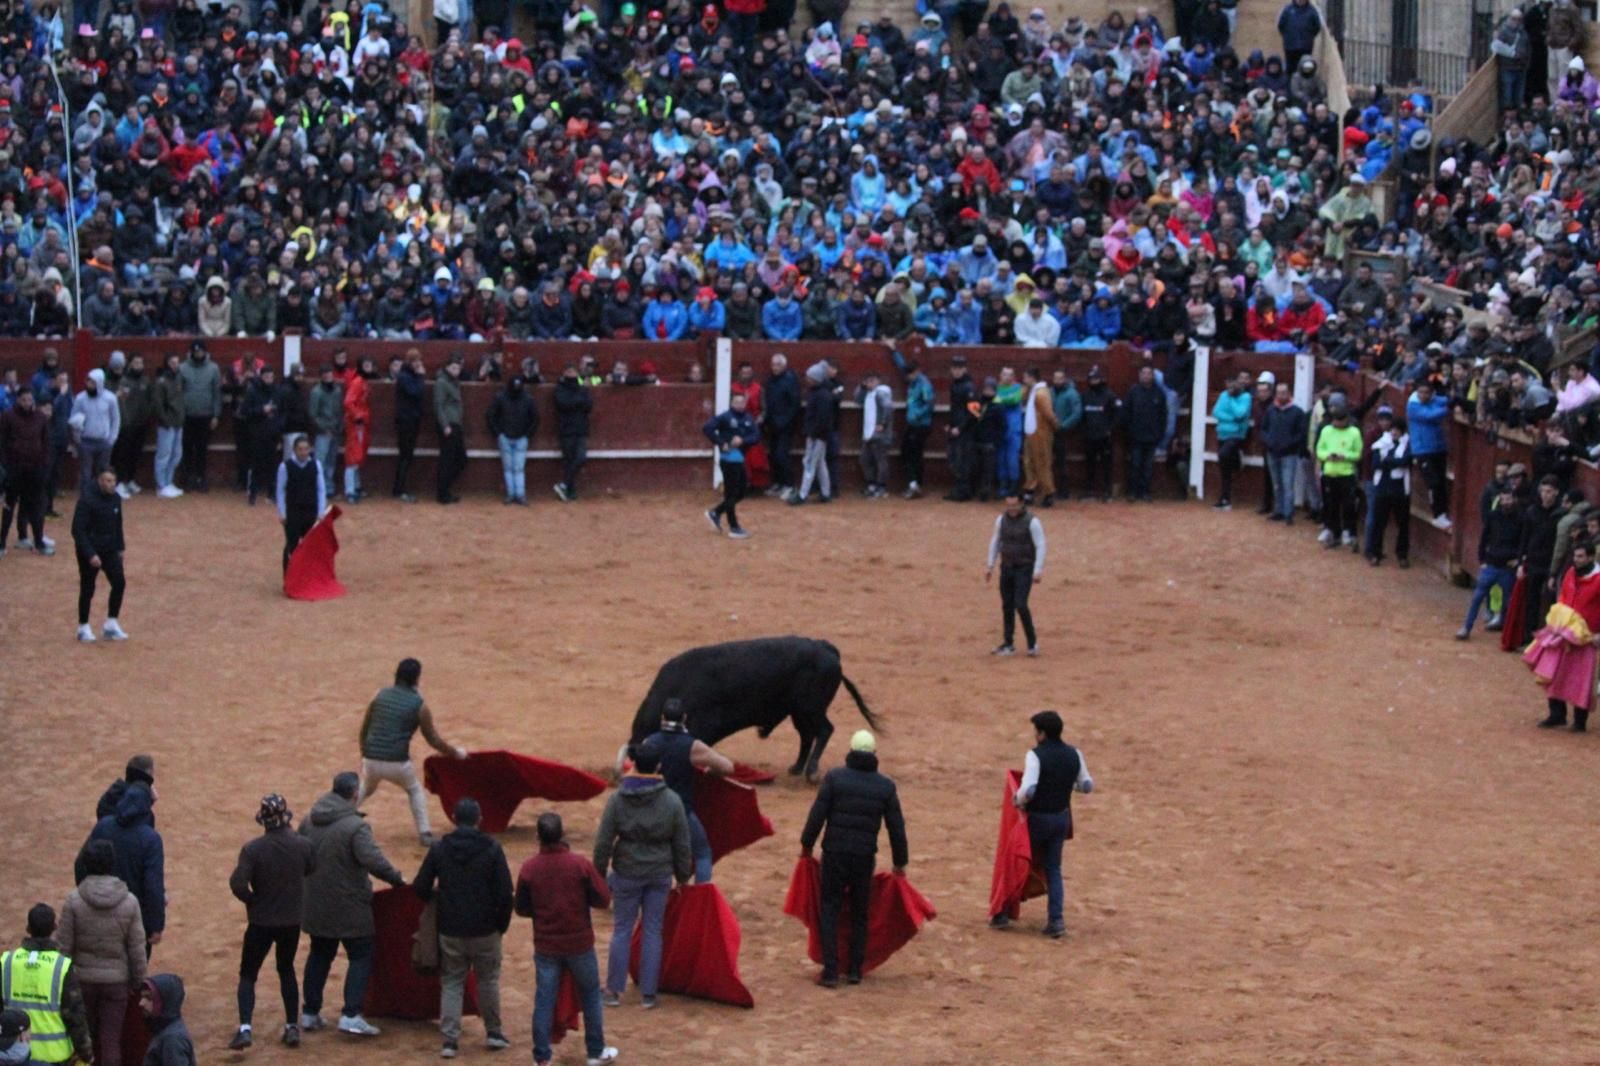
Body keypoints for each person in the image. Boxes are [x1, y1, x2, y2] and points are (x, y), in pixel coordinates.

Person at [799, 729, 910, 988]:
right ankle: (855, 970)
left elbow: (818, 815)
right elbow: (896, 827)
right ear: (874, 755)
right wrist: (899, 862)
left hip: (835, 854)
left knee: (830, 908)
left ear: (850, 751)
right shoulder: (885, 786)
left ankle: (829, 970)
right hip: (863, 856)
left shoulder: (835, 778)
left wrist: (806, 845)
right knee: (860, 912)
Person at [298, 771, 405, 1039]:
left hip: (315, 903)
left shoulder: (308, 821)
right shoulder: (355, 827)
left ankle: (309, 1013)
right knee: (361, 954)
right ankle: (351, 1014)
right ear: (354, 794)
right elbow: (374, 861)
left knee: (320, 953)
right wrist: (397, 880)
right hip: (349, 905)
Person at [593, 738, 692, 1009]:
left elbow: (603, 841)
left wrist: (599, 876)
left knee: (622, 929)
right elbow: (682, 843)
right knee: (652, 931)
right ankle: (649, 993)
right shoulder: (672, 801)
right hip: (659, 872)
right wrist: (683, 876)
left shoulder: (618, 799)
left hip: (627, 871)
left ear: (634, 765)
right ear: (658, 766)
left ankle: (613, 991)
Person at [412, 797, 513, 1058]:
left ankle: (449, 1040)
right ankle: (493, 1032)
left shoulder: (440, 848)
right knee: (488, 980)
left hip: (451, 929)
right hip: (485, 929)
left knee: (452, 982)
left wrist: (439, 901)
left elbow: (420, 887)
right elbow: (504, 894)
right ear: (479, 820)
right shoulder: (492, 848)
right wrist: (500, 926)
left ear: (454, 819)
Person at [515, 813, 618, 1066]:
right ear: (562, 835)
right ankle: (595, 1052)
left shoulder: (529, 869)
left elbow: (521, 908)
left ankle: (542, 1058)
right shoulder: (579, 865)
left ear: (538, 837)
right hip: (579, 944)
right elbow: (603, 899)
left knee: (544, 1000)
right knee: (591, 995)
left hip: (547, 946)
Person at [993, 711, 1094, 938]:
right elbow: (1087, 785)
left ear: (1042, 734)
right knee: (1053, 868)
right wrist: (1067, 786)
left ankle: (1002, 912)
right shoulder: (1074, 754)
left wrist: (1016, 799)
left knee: (1016, 862)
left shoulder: (1035, 756)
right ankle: (1056, 921)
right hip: (1061, 819)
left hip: (1037, 820)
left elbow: (1029, 789)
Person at [227, 794, 316, 1051]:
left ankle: (245, 1028)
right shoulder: (303, 845)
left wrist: (253, 901)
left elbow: (238, 883)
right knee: (286, 969)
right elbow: (311, 868)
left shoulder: (253, 849)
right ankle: (291, 1026)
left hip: (261, 921)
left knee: (248, 974)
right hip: (291, 921)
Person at [358, 658, 469, 847]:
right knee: (414, 790)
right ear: (417, 679)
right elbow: (433, 739)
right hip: (397, 763)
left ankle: (338, 813)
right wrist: (455, 753)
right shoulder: (419, 705)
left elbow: (364, 729)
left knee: (367, 787)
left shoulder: (379, 695)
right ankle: (425, 833)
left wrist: (365, 753)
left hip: (370, 758)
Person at [60, 840, 146, 1066]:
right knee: (111, 1041)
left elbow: (64, 948)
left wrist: (65, 984)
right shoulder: (129, 902)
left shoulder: (74, 901)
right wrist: (138, 983)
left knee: (83, 1040)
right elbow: (137, 948)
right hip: (116, 982)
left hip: (81, 982)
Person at [78, 765, 164, 952]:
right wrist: (156, 924)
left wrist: (87, 894)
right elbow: (153, 885)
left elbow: (80, 864)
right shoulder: (150, 838)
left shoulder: (104, 826)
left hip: (96, 910)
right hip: (134, 916)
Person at [647, 699, 735, 883]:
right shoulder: (692, 746)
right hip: (681, 812)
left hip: (650, 811)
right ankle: (699, 899)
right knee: (702, 854)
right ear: (684, 718)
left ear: (662, 717)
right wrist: (711, 772)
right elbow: (727, 767)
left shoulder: (650, 743)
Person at [0, 903, 94, 1065]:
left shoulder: (6, 961)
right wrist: (86, 1053)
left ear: (28, 928)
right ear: (54, 928)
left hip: (14, 1054)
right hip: (55, 1056)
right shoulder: (62, 966)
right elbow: (75, 1016)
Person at [1533, 539, 1600, 730]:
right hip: (1563, 632)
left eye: (1580, 557)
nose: (1576, 560)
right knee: (1555, 672)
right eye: (1575, 556)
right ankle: (1557, 714)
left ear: (1591, 557)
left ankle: (1580, 721)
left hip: (1587, 635)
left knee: (1582, 678)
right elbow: (1562, 597)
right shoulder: (1571, 573)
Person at [1458, 486, 1524, 640]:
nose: (1506, 502)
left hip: (1507, 566)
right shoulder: (1493, 516)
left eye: (1508, 499)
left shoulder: (1521, 518)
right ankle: (1466, 627)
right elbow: (1484, 538)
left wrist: (1518, 560)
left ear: (1514, 499)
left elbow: (1523, 541)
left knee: (1508, 601)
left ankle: (1507, 635)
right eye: (1503, 499)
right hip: (1492, 564)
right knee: (1477, 597)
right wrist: (1482, 560)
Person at [986, 494, 1047, 656]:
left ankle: (1032, 643)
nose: (1011, 509)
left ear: (1021, 504)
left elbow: (1040, 545)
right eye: (1008, 505)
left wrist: (1038, 570)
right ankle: (1008, 643)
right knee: (1007, 605)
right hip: (1006, 567)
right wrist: (990, 565)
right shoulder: (1001, 520)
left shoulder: (1032, 522)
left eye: (1014, 505)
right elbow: (996, 542)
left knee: (1020, 604)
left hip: (1024, 569)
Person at [72, 468, 128, 644]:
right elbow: (77, 531)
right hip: (90, 550)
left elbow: (118, 525)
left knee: (119, 582)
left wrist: (120, 548)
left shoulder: (116, 499)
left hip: (110, 549)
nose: (111, 485)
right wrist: (90, 554)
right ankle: (83, 627)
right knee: (88, 588)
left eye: (113, 481)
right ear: (99, 481)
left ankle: (111, 623)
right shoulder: (87, 501)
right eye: (107, 481)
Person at [0, 387, 51, 557]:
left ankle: (38, 541)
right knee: (9, 507)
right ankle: (1, 543)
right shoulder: (7, 417)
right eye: (24, 400)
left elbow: (45, 443)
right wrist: (6, 466)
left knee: (35, 507)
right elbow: (2, 443)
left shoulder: (41, 418)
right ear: (17, 400)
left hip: (34, 470)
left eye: (29, 400)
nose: (27, 403)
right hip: (14, 470)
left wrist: (43, 466)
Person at [703, 391, 758, 539]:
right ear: (731, 403)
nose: (740, 405)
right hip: (728, 459)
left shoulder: (747, 418)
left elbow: (756, 436)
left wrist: (743, 441)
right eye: (737, 402)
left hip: (739, 459)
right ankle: (734, 527)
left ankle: (716, 513)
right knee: (732, 493)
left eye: (742, 402)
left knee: (740, 492)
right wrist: (722, 443)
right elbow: (707, 428)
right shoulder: (725, 417)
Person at [1315, 400, 1363, 551]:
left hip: (1347, 474)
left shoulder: (1354, 432)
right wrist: (1328, 456)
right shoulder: (1326, 430)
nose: (1337, 422)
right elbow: (1319, 450)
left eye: (1340, 419)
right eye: (1335, 419)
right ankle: (1334, 534)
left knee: (1349, 506)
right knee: (1331, 506)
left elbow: (1358, 454)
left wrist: (1345, 456)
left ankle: (1350, 533)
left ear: (1346, 419)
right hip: (1330, 473)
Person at [1365, 416, 1412, 567]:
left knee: (1402, 524)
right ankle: (1375, 553)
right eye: (1392, 429)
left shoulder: (1406, 445)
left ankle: (1402, 554)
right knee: (1379, 523)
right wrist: (1394, 462)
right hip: (1384, 488)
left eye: (1397, 430)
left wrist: (1387, 461)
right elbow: (1376, 464)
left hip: (1399, 490)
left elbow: (1405, 462)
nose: (1394, 432)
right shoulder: (1382, 443)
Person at [276, 435, 326, 573]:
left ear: (310, 449)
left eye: (306, 449)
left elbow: (321, 490)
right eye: (300, 449)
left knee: (310, 545)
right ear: (294, 450)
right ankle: (289, 578)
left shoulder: (316, 465)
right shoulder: (285, 467)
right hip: (293, 512)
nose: (304, 452)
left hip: (311, 511)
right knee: (292, 545)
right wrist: (282, 512)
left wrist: (321, 511)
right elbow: (280, 491)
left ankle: (308, 577)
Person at [1407, 378, 1451, 530]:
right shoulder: (1413, 405)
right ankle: (1438, 514)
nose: (1423, 395)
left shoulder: (1432, 401)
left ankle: (1442, 514)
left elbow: (1445, 401)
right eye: (1421, 392)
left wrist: (1449, 402)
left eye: (1426, 393)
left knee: (1440, 482)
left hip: (1437, 448)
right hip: (1423, 451)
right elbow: (1430, 416)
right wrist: (1449, 407)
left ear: (1431, 394)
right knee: (1433, 483)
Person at [1261, 381, 1308, 524]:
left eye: (1284, 393)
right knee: (1277, 483)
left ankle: (1288, 513)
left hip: (1289, 454)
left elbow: (1301, 434)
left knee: (1287, 484)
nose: (1281, 396)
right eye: (1279, 393)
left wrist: (1288, 445)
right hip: (1273, 452)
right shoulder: (1270, 410)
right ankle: (1279, 511)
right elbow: (1264, 429)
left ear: (1289, 394)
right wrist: (1269, 442)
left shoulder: (1297, 412)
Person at [487, 375, 537, 506]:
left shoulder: (503, 397)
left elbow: (535, 419)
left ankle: (516, 494)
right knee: (513, 468)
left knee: (514, 468)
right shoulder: (527, 399)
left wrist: (527, 435)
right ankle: (516, 494)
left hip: (517, 438)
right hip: (510, 437)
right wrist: (499, 434)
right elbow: (491, 416)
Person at [177, 342, 220, 492]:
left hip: (205, 415)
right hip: (187, 415)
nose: (198, 354)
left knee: (202, 449)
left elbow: (216, 393)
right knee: (187, 448)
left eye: (201, 352)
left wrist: (215, 415)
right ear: (191, 353)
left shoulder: (213, 368)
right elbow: (178, 393)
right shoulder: (182, 368)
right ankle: (188, 478)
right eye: (196, 352)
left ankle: (201, 478)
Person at [70, 368, 120, 497]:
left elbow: (115, 419)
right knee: (85, 473)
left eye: (92, 382)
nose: (89, 385)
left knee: (103, 472)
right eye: (88, 382)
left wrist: (112, 439)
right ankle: (86, 498)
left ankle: (102, 497)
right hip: (86, 441)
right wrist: (78, 438)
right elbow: (73, 419)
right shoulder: (80, 398)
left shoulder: (110, 398)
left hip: (104, 441)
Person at [892, 353, 935, 499]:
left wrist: (917, 415)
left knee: (912, 454)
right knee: (910, 453)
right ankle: (915, 484)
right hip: (914, 424)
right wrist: (894, 352)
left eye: (910, 374)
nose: (907, 377)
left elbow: (929, 404)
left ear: (916, 372)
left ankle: (915, 484)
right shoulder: (915, 381)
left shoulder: (924, 384)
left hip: (920, 425)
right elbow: (902, 367)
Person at [793, 362, 836, 505]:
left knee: (810, 463)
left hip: (817, 435)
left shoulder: (821, 395)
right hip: (818, 434)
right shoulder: (820, 393)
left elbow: (822, 419)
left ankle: (802, 495)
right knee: (820, 463)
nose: (807, 379)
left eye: (810, 377)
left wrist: (814, 434)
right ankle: (825, 493)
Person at [1123, 364, 1167, 502]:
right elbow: (1126, 412)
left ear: (1153, 376)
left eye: (1149, 373)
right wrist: (1129, 431)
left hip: (1152, 436)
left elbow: (1163, 416)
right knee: (1135, 465)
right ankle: (1133, 492)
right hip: (1136, 436)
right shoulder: (1133, 391)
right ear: (1139, 375)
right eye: (1144, 373)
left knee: (1148, 467)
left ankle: (1145, 492)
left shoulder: (1159, 393)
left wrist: (1159, 433)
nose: (1146, 376)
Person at [110, 354, 152, 499]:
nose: (138, 365)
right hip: (125, 424)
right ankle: (119, 482)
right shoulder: (123, 381)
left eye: (141, 362)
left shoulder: (145, 381)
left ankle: (129, 480)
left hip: (140, 423)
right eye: (136, 362)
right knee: (122, 454)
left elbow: (149, 401)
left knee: (135, 454)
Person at [1210, 372, 1252, 510]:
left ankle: (1237, 459)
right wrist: (1231, 418)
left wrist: (1232, 399)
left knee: (1223, 455)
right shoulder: (1223, 395)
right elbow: (1216, 412)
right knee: (1224, 469)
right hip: (1222, 433)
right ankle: (1224, 499)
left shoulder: (1246, 397)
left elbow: (1240, 413)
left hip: (1236, 435)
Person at [553, 364, 593, 503]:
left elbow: (588, 405)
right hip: (567, 429)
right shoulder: (560, 387)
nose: (571, 374)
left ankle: (564, 485)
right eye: (568, 371)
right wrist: (579, 400)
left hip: (580, 428)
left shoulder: (581, 387)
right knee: (569, 460)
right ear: (564, 373)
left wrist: (576, 401)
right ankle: (570, 490)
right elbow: (563, 404)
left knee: (580, 458)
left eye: (573, 371)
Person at [764, 354, 802, 499]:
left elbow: (794, 405)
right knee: (774, 455)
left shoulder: (790, 380)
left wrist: (785, 422)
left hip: (786, 425)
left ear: (784, 366)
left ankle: (789, 485)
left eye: (778, 364)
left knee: (781, 455)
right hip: (773, 424)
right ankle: (779, 483)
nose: (775, 367)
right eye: (773, 364)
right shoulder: (770, 381)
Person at [1079, 367, 1119, 502]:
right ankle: (1089, 491)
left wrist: (1109, 430)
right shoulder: (1085, 395)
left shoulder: (1110, 396)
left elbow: (1117, 416)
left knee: (1106, 464)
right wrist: (1084, 430)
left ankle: (1107, 492)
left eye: (1095, 379)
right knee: (1089, 464)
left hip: (1105, 437)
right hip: (1090, 436)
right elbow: (1082, 416)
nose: (1093, 381)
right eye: (1091, 379)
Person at [138, 975, 196, 1066]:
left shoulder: (171, 1039)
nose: (141, 1003)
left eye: (149, 998)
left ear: (163, 1002)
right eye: (142, 997)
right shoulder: (164, 1029)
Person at [1021, 366, 1058, 507]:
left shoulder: (1041, 394)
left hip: (1040, 433)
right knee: (1029, 462)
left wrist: (1055, 426)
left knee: (1042, 462)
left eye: (1026, 377)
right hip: (1032, 431)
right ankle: (1030, 490)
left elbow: (1048, 414)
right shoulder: (1033, 391)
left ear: (1032, 378)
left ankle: (1048, 492)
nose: (1024, 380)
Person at [392, 350, 426, 502]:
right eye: (415, 361)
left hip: (409, 419)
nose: (418, 364)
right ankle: (400, 490)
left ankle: (399, 489)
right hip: (407, 421)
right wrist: (420, 376)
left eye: (419, 360)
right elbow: (415, 392)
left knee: (406, 456)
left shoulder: (405, 375)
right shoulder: (406, 377)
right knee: (405, 456)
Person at [341, 358, 375, 503]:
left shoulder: (362, 381)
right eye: (366, 365)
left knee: (358, 455)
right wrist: (358, 415)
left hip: (360, 422)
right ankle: (350, 491)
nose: (369, 368)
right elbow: (348, 402)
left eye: (370, 365)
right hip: (356, 423)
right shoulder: (358, 382)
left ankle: (356, 487)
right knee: (353, 456)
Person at [434, 355, 466, 505]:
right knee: (448, 460)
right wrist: (445, 425)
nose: (456, 371)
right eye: (453, 368)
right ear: (447, 368)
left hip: (455, 424)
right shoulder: (442, 382)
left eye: (458, 368)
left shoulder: (453, 382)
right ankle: (443, 492)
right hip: (449, 425)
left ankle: (444, 489)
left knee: (459, 459)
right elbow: (438, 405)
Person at [151, 353, 185, 499]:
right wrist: (165, 420)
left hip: (178, 422)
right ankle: (161, 485)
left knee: (176, 454)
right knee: (164, 454)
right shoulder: (161, 382)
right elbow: (158, 404)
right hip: (167, 423)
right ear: (167, 363)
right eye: (172, 362)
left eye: (177, 362)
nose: (175, 365)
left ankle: (168, 482)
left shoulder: (178, 379)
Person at [856, 370, 894, 499]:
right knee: (865, 459)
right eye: (867, 381)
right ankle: (872, 485)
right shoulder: (868, 394)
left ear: (878, 381)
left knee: (880, 461)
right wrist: (862, 386)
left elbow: (888, 408)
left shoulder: (881, 392)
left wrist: (882, 424)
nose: (870, 383)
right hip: (868, 433)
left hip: (879, 434)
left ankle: (881, 487)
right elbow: (857, 399)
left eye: (872, 380)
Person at [308, 365, 343, 500]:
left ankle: (328, 489)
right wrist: (323, 429)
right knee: (320, 461)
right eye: (325, 374)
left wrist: (339, 427)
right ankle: (317, 489)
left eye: (329, 373)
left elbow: (339, 410)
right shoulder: (316, 392)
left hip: (334, 430)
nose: (328, 376)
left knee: (331, 461)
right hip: (323, 431)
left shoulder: (337, 390)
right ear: (321, 376)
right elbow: (313, 414)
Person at [1050, 369, 1082, 503]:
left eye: (1060, 378)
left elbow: (1077, 413)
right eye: (1055, 378)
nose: (1057, 381)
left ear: (1064, 379)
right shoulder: (1050, 392)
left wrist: (1064, 425)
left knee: (1061, 462)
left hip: (1062, 432)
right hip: (1049, 430)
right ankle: (1050, 489)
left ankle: (1064, 490)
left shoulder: (1071, 393)